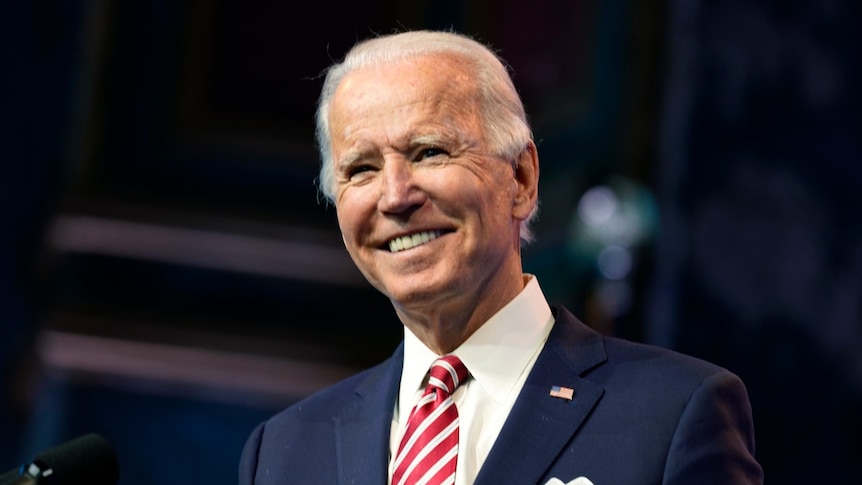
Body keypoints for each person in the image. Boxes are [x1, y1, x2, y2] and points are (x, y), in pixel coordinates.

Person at [239, 30, 763, 485]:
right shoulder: (282, 453)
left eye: (429, 152)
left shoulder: (673, 415)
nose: (395, 197)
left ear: (521, 179)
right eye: (362, 169)